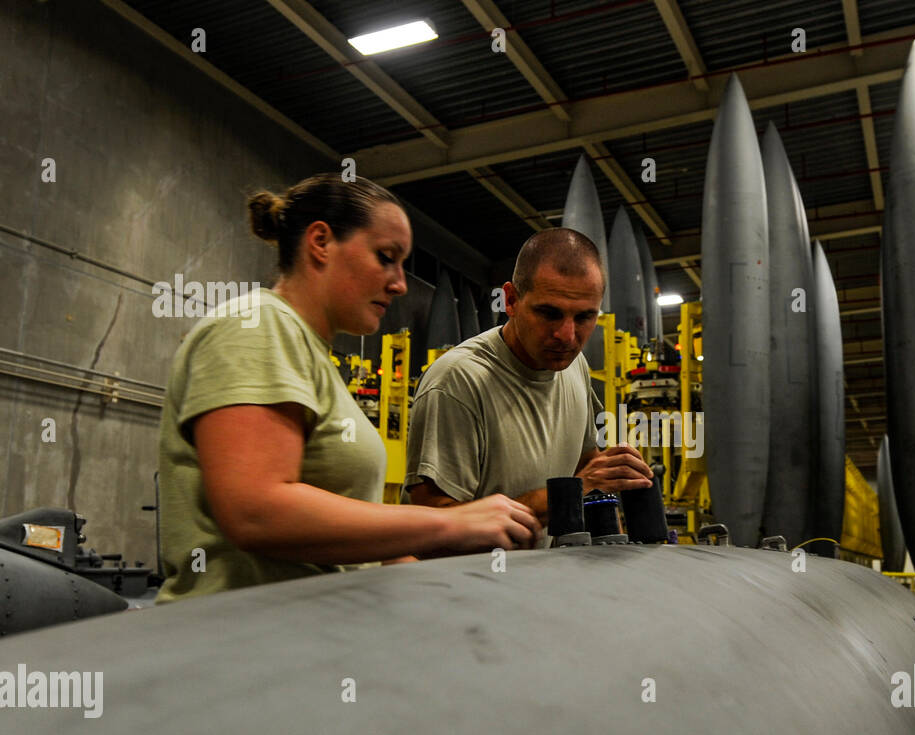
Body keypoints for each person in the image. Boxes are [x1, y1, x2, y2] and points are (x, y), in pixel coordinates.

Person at [156, 173, 539, 602]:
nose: (399, 283)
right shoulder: (256, 326)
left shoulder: (311, 354)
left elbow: (350, 547)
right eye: (386, 257)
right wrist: (450, 523)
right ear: (320, 242)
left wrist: (448, 589)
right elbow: (255, 512)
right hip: (239, 641)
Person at [405, 228, 653, 522]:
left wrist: (609, 471)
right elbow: (431, 524)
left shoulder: (575, 367)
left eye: (585, 316)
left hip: (543, 567)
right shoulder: (457, 381)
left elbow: (583, 462)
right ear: (510, 300)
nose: (567, 336)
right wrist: (574, 490)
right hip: (472, 570)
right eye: (550, 313)